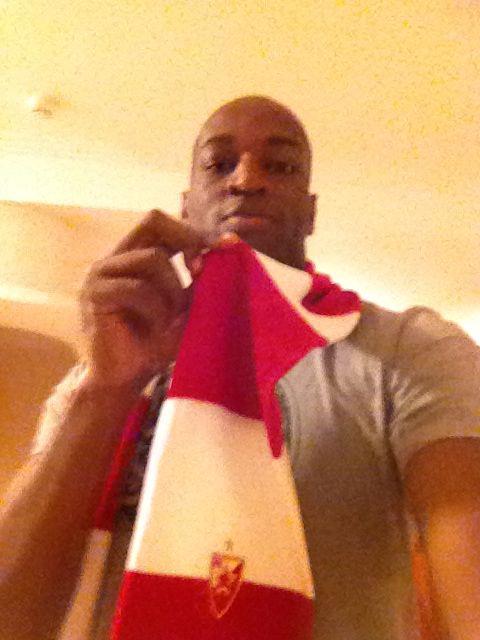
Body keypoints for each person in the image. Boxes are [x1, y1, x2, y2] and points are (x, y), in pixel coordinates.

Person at [0, 95, 479, 640]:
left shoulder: (408, 350)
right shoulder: (111, 364)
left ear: (311, 212)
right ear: (186, 206)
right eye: (219, 163)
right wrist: (105, 389)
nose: (246, 180)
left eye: (280, 165)